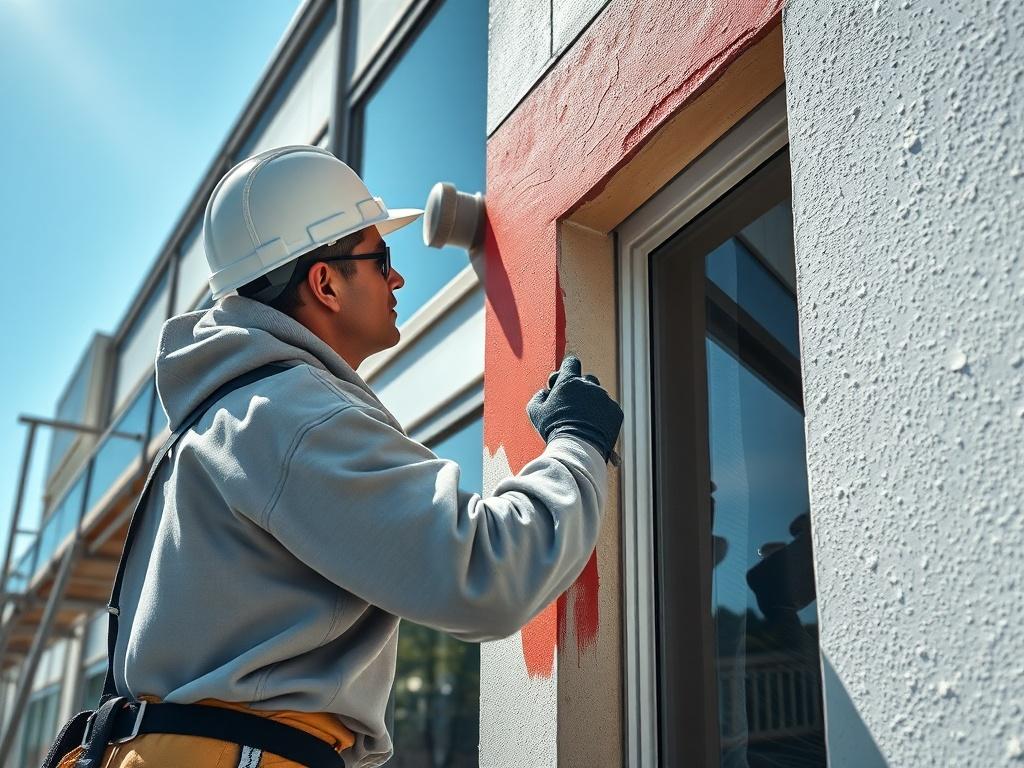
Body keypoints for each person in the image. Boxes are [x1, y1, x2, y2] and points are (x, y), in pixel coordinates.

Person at [68, 146, 622, 768]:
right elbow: (486, 574)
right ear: (326, 283)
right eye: (380, 258)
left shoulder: (222, 420)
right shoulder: (291, 416)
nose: (398, 279)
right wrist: (577, 442)